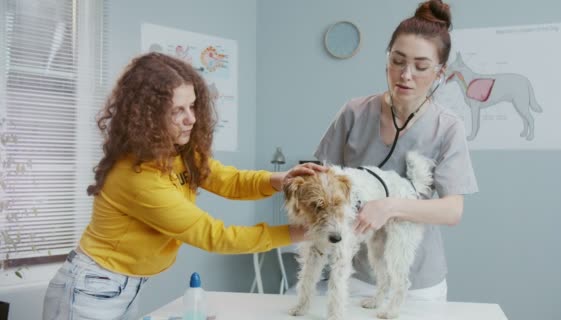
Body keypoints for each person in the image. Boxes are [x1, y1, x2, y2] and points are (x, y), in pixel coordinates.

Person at [42, 52, 325, 319]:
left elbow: (229, 179)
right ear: (147, 116)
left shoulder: (178, 153)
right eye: (178, 110)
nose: (191, 118)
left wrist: (278, 179)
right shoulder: (136, 177)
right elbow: (215, 236)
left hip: (122, 284)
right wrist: (303, 232)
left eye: (192, 106)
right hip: (93, 287)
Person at [314, 0, 478, 301]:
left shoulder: (447, 127)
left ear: (439, 73)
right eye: (398, 61)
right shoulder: (354, 112)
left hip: (417, 281)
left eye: (421, 66)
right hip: (357, 274)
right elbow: (322, 175)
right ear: (387, 59)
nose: (406, 74)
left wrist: (390, 206)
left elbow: (452, 210)